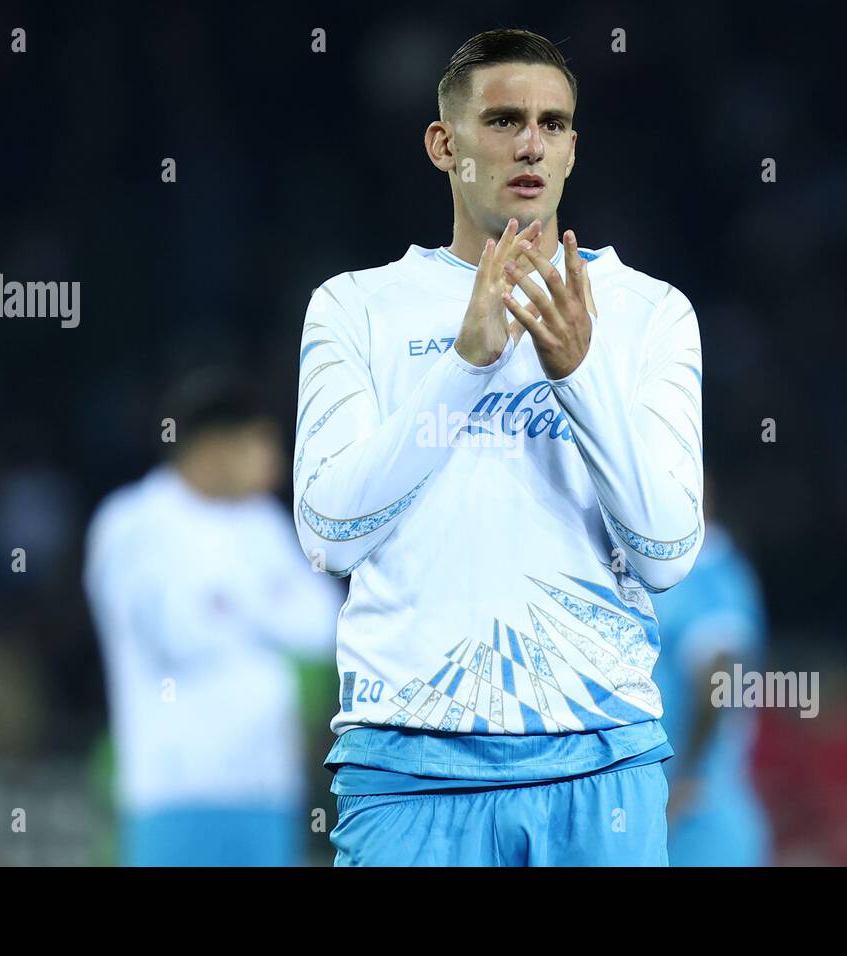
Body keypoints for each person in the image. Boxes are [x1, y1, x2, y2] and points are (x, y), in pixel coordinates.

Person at [293, 29, 705, 866]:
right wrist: (465, 365)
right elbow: (329, 536)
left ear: (573, 148)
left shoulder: (652, 313)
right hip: (409, 765)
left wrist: (577, 374)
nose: (530, 144)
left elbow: (665, 554)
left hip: (602, 759)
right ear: (444, 145)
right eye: (505, 119)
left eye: (554, 124)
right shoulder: (357, 308)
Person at [84, 369, 342, 865]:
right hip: (176, 791)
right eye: (260, 443)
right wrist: (265, 602)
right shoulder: (133, 522)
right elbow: (180, 633)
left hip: (266, 787)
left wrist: (229, 600)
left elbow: (322, 624)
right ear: (214, 446)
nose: (275, 460)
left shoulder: (263, 523)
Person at [651, 491, 772, 866]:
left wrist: (686, 778)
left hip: (698, 815)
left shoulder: (706, 572)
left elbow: (721, 675)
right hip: (675, 804)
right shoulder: (663, 567)